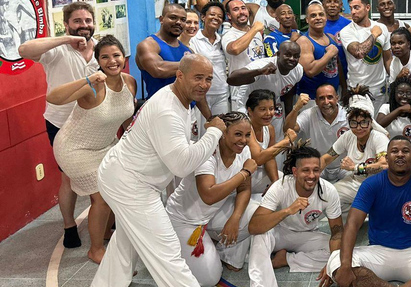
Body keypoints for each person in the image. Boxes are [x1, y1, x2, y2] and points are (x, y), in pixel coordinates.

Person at [91, 55, 226, 287]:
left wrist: (201, 144)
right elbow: (181, 165)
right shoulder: (168, 110)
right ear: (180, 75)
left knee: (126, 242)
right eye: (198, 78)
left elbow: (177, 150)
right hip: (129, 184)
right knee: (167, 252)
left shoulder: (180, 100)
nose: (204, 84)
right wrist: (213, 133)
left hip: (128, 177)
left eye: (208, 79)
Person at [47, 35, 136, 263]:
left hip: (106, 145)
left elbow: (127, 118)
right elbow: (53, 97)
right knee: (102, 198)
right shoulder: (93, 86)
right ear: (98, 61)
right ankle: (95, 250)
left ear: (124, 58)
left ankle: (105, 232)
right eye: (104, 57)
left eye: (116, 55)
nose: (112, 61)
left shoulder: (129, 82)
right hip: (75, 148)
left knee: (118, 188)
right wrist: (86, 80)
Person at [327, 136, 411, 287]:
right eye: (394, 151)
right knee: (336, 260)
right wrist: (344, 266)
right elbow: (352, 224)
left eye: (405, 151)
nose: (400, 154)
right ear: (386, 158)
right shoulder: (371, 184)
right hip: (377, 253)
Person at [18, 1, 99, 249]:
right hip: (62, 123)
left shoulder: (101, 46)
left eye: (87, 21)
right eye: (77, 21)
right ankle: (69, 226)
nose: (84, 26)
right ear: (67, 25)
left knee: (103, 171)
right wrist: (65, 40)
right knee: (67, 179)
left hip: (95, 121)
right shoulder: (57, 50)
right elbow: (24, 49)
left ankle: (106, 222)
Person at [165, 111, 259, 285]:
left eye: (247, 135)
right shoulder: (207, 153)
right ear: (223, 134)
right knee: (209, 279)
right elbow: (208, 194)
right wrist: (245, 172)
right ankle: (173, 248)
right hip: (184, 220)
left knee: (257, 213)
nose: (244, 141)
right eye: (238, 134)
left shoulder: (243, 152)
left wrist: (235, 218)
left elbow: (245, 189)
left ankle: (226, 254)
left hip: (210, 215)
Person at [248, 144, 343, 287]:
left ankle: (286, 259)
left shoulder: (328, 191)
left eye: (316, 170)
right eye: (306, 170)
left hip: (307, 235)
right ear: (295, 171)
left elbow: (337, 231)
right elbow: (254, 226)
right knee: (260, 236)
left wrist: (334, 263)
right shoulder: (280, 186)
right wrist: (287, 211)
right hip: (280, 233)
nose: (312, 175)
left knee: (342, 254)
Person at [320, 86, 389, 213]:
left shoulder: (379, 138)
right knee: (328, 198)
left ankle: (368, 212)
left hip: (379, 187)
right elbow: (326, 158)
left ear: (370, 122)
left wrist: (355, 168)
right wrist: (310, 172)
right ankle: (357, 218)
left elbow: (384, 165)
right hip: (356, 184)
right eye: (354, 123)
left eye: (363, 122)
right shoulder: (348, 136)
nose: (359, 127)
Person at [228, 41, 304, 134]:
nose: (292, 59)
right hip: (249, 104)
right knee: (249, 138)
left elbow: (288, 91)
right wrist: (260, 71)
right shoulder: (263, 65)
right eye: (288, 55)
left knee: (275, 136)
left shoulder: (298, 70)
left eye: (296, 56)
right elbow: (231, 79)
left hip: (272, 104)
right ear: (278, 54)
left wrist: (288, 118)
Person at [243, 89, 302, 201]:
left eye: (271, 109)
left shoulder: (269, 129)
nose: (269, 113)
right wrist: (285, 142)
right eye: (262, 109)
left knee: (290, 182)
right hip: (243, 176)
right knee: (287, 186)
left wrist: (275, 183)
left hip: (257, 173)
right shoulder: (245, 128)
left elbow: (270, 158)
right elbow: (258, 158)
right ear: (250, 111)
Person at [338, 0, 392, 113]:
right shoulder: (346, 32)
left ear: (367, 7)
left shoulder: (381, 27)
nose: (353, 12)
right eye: (351, 8)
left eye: (357, 7)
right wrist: (374, 34)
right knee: (360, 126)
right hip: (358, 89)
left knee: (380, 124)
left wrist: (394, 79)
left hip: (379, 88)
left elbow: (387, 59)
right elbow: (359, 52)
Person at [222, 0, 266, 117]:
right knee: (242, 124)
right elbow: (235, 49)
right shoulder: (228, 35)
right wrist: (254, 29)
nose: (241, 12)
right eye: (236, 9)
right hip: (240, 89)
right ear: (229, 16)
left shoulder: (256, 33)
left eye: (243, 8)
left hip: (259, 86)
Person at [296, 1, 346, 104]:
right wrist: (329, 54)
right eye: (313, 15)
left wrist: (344, 88)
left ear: (326, 17)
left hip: (333, 95)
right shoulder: (304, 41)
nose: (318, 18)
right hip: (311, 99)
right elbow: (310, 71)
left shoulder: (331, 37)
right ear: (307, 20)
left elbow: (337, 65)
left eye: (321, 14)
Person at [189, 2, 229, 115]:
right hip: (200, 94)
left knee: (220, 129)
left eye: (220, 16)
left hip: (221, 93)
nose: (216, 18)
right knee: (201, 130)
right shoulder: (194, 40)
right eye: (212, 14)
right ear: (203, 17)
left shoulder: (222, 40)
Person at [376, 75, 411, 140]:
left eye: (408, 93)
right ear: (394, 94)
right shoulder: (386, 108)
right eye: (400, 92)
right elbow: (379, 125)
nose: (404, 96)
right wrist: (400, 110)